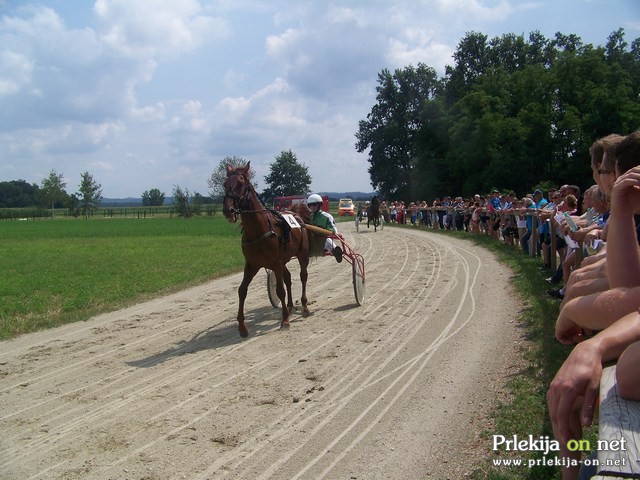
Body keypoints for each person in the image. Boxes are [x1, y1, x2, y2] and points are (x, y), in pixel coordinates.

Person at [306, 194, 342, 263]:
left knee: (327, 241)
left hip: (322, 240)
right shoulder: (308, 217)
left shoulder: (327, 216)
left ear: (319, 205)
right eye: (310, 205)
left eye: (314, 205)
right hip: (310, 241)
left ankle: (335, 251)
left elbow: (333, 231)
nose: (312, 207)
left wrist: (320, 230)